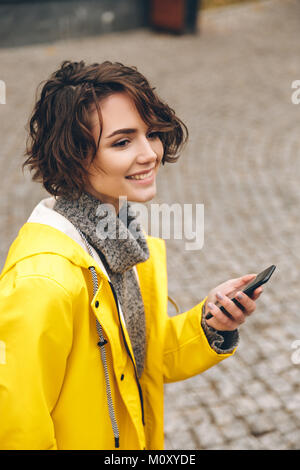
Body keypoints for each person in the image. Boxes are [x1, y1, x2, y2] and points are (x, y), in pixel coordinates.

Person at [0, 60, 263, 450]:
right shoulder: (44, 283)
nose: (149, 153)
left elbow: (138, 359)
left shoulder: (123, 239)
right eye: (122, 142)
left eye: (151, 133)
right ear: (72, 155)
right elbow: (18, 431)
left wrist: (210, 325)